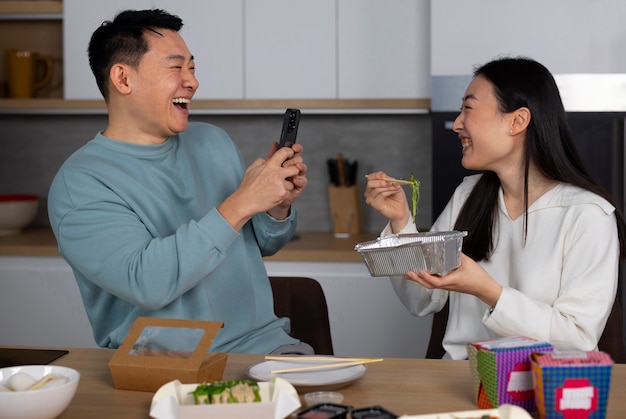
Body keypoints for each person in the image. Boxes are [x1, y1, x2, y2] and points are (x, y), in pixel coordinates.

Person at [48, 9, 313, 355]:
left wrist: (277, 206)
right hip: (162, 368)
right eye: (176, 67)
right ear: (123, 79)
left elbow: (261, 242)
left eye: (192, 67)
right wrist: (242, 202)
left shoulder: (213, 142)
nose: (192, 81)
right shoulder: (81, 183)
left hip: (265, 349)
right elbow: (147, 283)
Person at [365, 56, 626, 360]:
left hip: (543, 388)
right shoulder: (468, 195)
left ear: (518, 121)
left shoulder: (589, 214)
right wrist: (401, 222)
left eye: (469, 108)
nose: (458, 124)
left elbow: (577, 338)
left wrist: (488, 290)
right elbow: (421, 299)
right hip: (461, 379)